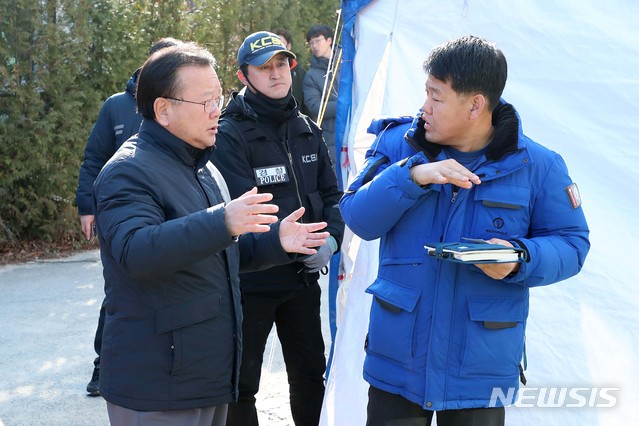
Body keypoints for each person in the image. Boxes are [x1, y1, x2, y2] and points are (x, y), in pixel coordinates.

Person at [339, 35, 590, 426]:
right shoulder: (398, 145)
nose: (424, 107)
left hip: (479, 367)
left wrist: (519, 259)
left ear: (475, 104)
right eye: (426, 93)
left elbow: (572, 244)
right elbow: (357, 217)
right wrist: (413, 176)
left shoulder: (538, 165)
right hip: (399, 362)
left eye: (436, 97)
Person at [92, 41, 330, 425]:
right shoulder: (128, 171)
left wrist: (277, 243)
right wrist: (223, 221)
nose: (217, 111)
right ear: (163, 110)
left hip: (205, 375)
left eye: (220, 98)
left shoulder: (202, 166)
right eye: (206, 102)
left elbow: (221, 253)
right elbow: (136, 251)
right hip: (158, 385)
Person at [211, 31, 345, 426]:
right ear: (242, 76)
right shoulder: (229, 134)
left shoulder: (306, 127)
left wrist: (331, 241)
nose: (276, 74)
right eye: (264, 67)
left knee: (308, 377)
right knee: (240, 387)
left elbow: (332, 195)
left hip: (302, 280)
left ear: (292, 65)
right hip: (251, 283)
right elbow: (236, 214)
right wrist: (284, 245)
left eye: (281, 64)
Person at [75, 37, 181, 397]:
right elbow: (93, 158)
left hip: (171, 212)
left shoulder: (186, 106)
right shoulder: (117, 107)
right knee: (119, 293)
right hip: (122, 214)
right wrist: (86, 207)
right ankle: (102, 368)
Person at [303, 24, 339, 164]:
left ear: (329, 40)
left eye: (318, 41)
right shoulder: (311, 76)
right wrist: (343, 104)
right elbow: (315, 107)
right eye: (311, 43)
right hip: (330, 136)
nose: (314, 46)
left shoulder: (347, 62)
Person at [272, 28, 307, 115]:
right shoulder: (263, 72)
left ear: (289, 46)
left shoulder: (300, 72)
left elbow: (306, 104)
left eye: (281, 45)